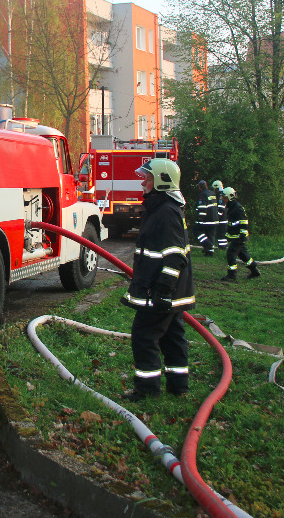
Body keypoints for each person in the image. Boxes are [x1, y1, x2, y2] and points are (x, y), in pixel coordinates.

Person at [120, 158, 195, 399]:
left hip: (161, 291)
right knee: (172, 337)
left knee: (144, 336)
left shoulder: (165, 212)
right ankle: (178, 386)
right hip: (167, 290)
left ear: (162, 181)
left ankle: (147, 389)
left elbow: (175, 256)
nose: (143, 182)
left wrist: (163, 290)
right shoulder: (162, 208)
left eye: (148, 178)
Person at [221, 186, 261, 281]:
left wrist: (242, 236)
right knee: (243, 255)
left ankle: (232, 275)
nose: (223, 199)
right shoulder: (231, 207)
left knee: (231, 254)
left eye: (225, 198)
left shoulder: (237, 208)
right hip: (236, 236)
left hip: (239, 237)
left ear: (230, 197)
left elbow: (244, 222)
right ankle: (255, 271)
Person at [194, 180, 217, 256]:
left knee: (196, 230)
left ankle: (207, 244)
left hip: (207, 220)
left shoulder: (203, 195)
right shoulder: (212, 193)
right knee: (210, 235)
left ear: (200, 187)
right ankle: (210, 253)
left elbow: (202, 208)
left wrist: (200, 219)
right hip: (214, 219)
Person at [212, 179, 228, 252]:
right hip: (223, 219)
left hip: (222, 219)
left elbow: (221, 208)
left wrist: (216, 217)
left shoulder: (221, 196)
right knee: (221, 235)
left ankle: (222, 249)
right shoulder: (222, 194)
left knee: (221, 235)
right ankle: (222, 248)